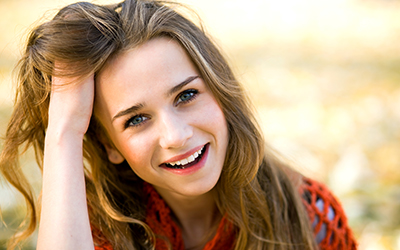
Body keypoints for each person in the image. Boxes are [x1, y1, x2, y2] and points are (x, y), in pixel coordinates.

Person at [0, 0, 357, 249]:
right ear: (110, 145)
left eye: (186, 96)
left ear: (220, 91)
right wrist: (64, 132)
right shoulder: (90, 227)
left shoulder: (308, 217)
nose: (176, 135)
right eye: (136, 119)